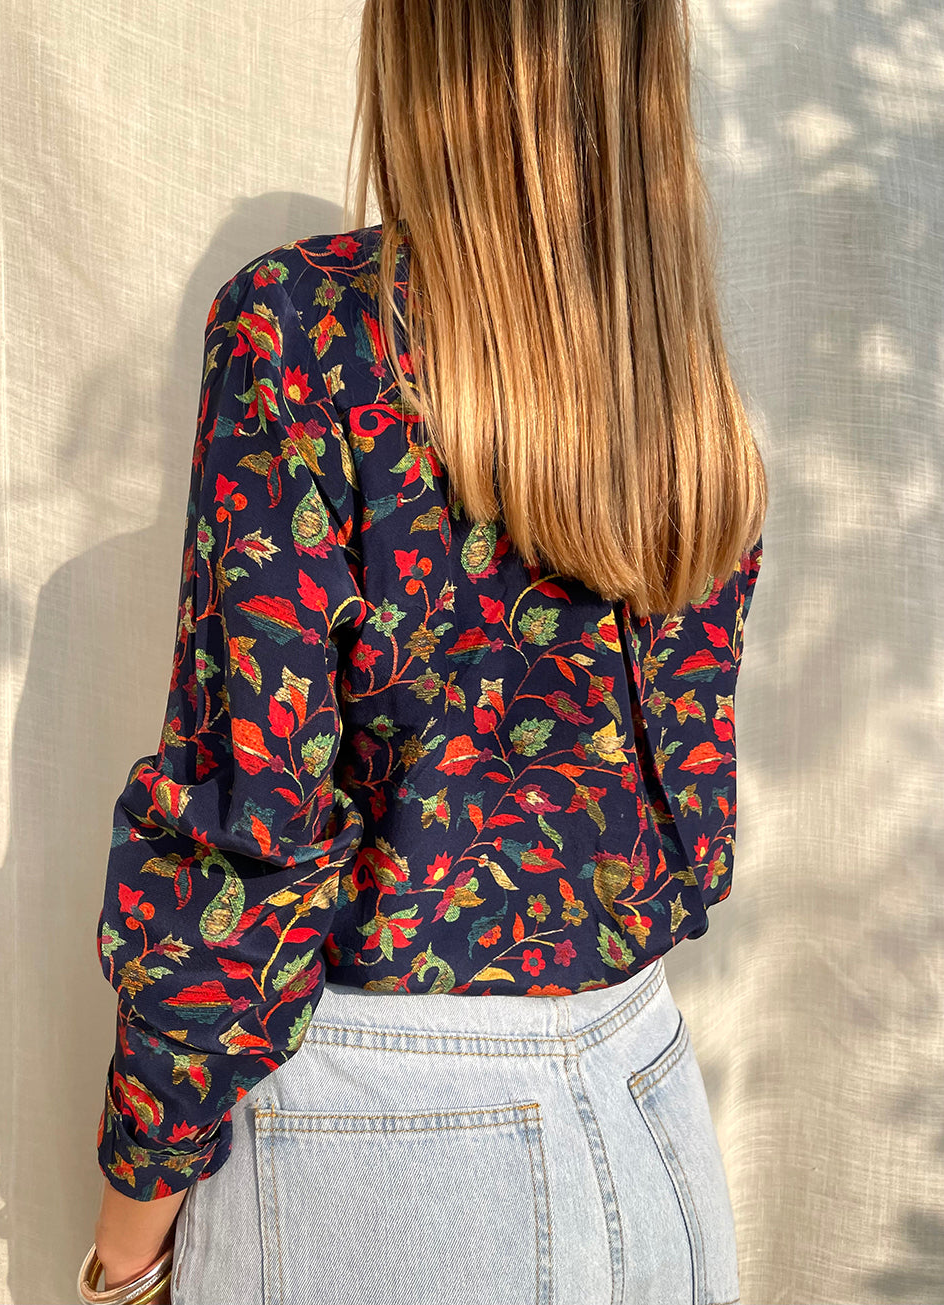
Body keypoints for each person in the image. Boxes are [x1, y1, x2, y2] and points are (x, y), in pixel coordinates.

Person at [82, 0, 767, 1302]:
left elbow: (250, 840)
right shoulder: (680, 386)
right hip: (647, 1102)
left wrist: (126, 1244)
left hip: (386, 1150)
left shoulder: (300, 328)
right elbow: (682, 786)